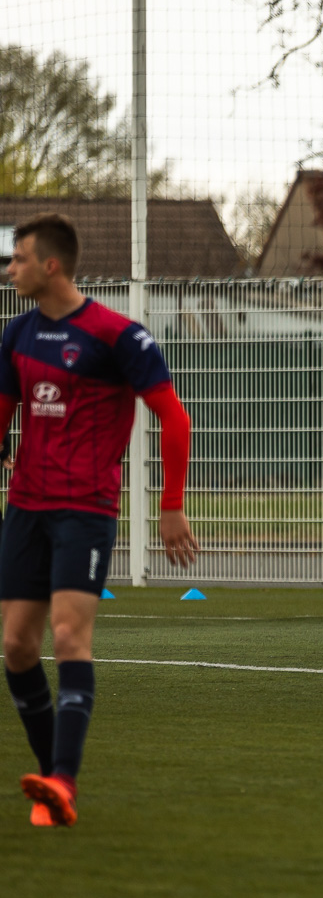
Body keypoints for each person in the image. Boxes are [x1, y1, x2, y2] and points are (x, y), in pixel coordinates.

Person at [1, 213, 198, 828]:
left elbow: (176, 418)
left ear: (50, 265)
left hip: (85, 508)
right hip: (25, 506)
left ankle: (62, 779)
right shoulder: (14, 336)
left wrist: (170, 506)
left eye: (19, 259)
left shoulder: (120, 338)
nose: (10, 270)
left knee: (68, 638)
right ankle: (53, 777)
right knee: (15, 646)